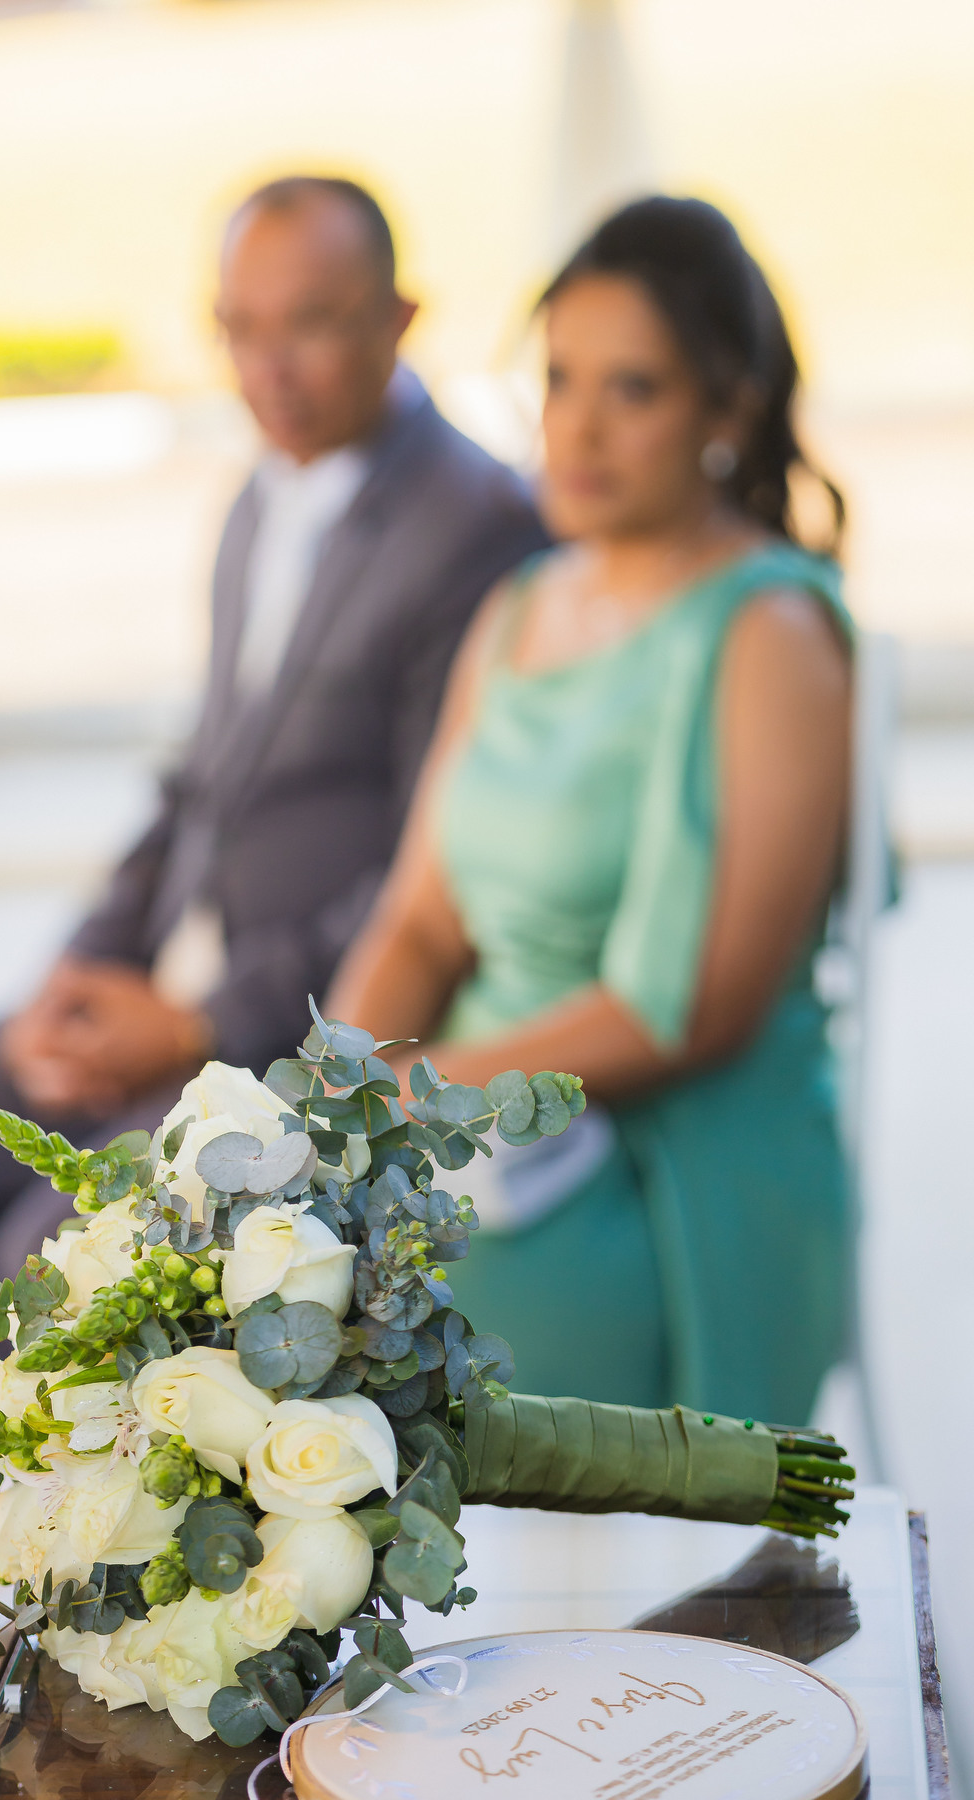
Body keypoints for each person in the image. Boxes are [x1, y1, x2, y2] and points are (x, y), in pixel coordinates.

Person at [0, 176, 548, 1365]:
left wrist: (192, 1024)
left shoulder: (472, 524)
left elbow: (434, 874)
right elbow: (202, 790)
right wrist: (82, 971)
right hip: (166, 988)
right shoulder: (254, 503)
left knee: (42, 1241)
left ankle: (133, 1504)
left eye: (311, 321)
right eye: (240, 328)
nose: (271, 367)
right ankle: (81, 1483)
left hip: (297, 1030)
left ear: (400, 317)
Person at [327, 195, 853, 1426]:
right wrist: (326, 1112)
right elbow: (420, 923)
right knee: (246, 1267)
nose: (579, 426)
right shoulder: (519, 608)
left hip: (661, 1165)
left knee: (325, 1346)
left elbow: (692, 1011)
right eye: (561, 379)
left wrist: (423, 1107)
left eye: (637, 389)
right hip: (476, 1130)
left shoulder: (769, 631)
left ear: (727, 412)